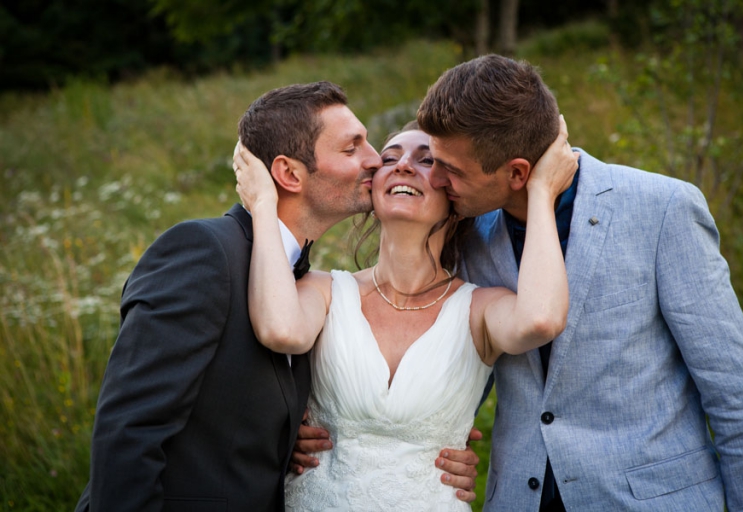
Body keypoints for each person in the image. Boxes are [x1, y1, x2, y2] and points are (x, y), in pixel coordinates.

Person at [74, 82, 473, 512]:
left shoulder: (302, 285)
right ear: (289, 175)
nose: (375, 160)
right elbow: (128, 428)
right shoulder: (204, 251)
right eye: (352, 147)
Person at [413, 55, 743, 511]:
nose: (437, 181)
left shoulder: (663, 209)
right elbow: (453, 381)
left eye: (453, 170)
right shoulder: (467, 233)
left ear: (518, 173)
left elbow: (737, 396)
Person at [232, 116, 578, 511]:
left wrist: (540, 191)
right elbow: (280, 330)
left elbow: (541, 320)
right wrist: (262, 204)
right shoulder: (325, 290)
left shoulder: (479, 309)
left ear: (456, 193)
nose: (402, 165)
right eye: (390, 157)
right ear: (373, 188)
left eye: (426, 160)